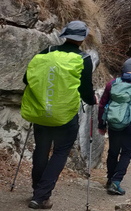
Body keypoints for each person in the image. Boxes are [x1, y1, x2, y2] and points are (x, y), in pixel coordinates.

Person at [22, 20, 97, 210]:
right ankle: (41, 197)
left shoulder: (46, 52)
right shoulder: (84, 59)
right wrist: (93, 100)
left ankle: (36, 192)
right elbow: (86, 90)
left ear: (65, 35)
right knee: (60, 152)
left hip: (41, 112)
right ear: (83, 38)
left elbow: (26, 79)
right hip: (65, 116)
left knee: (41, 149)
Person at [98, 58, 131, 196]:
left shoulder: (112, 84)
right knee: (127, 152)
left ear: (123, 70)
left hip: (113, 123)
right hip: (130, 125)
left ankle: (110, 179)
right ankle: (116, 182)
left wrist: (101, 124)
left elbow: (102, 104)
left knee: (113, 151)